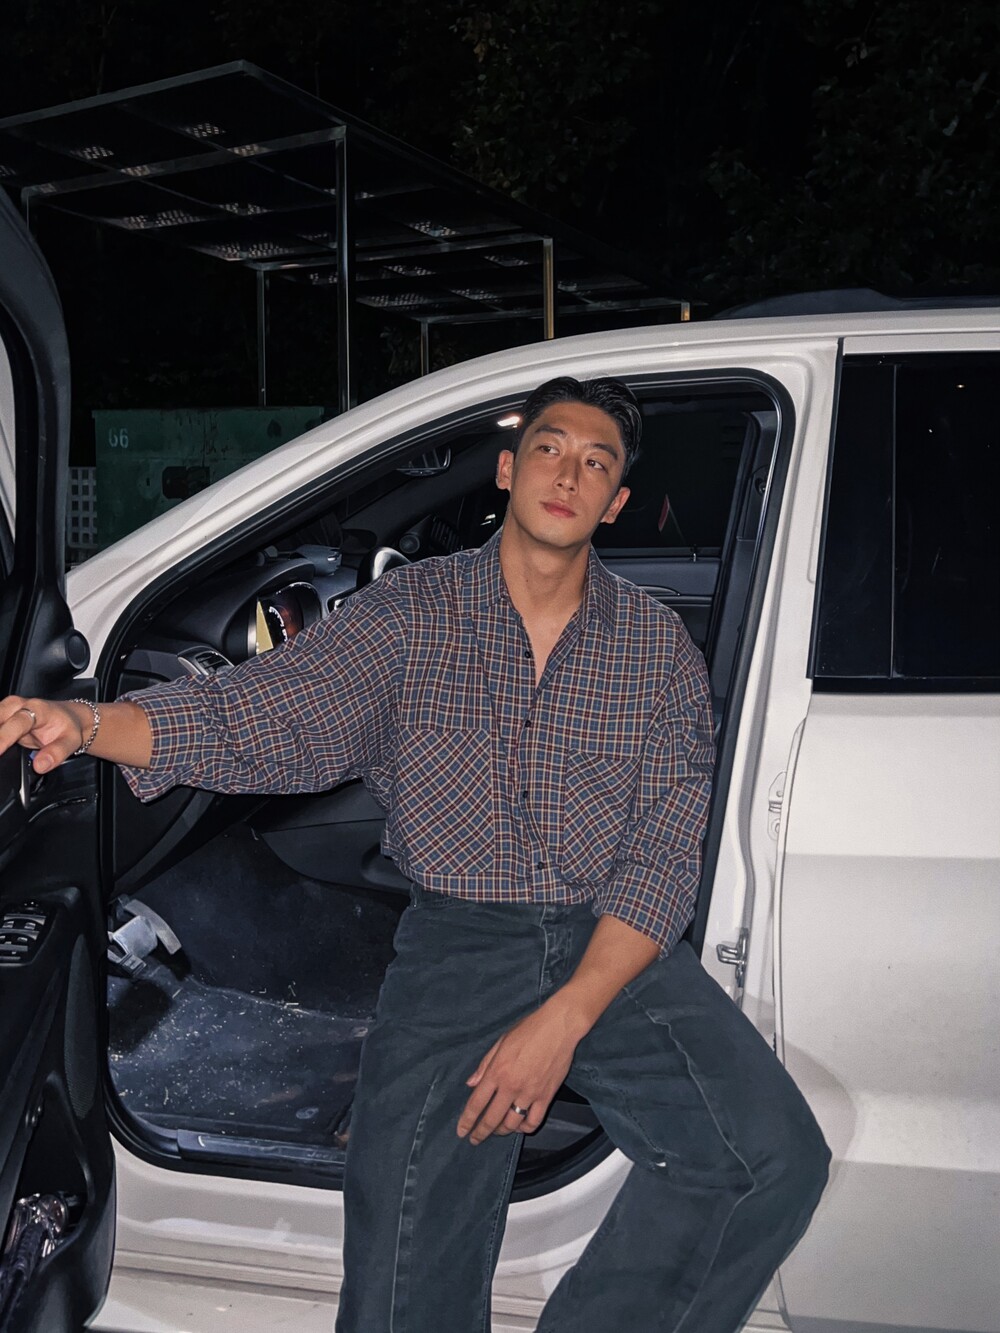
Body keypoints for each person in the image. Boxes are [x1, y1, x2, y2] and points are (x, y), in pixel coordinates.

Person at [0, 376, 829, 1332]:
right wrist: (85, 723)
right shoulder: (411, 613)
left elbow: (660, 859)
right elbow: (262, 716)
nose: (569, 474)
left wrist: (560, 1022)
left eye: (596, 463)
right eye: (551, 449)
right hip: (457, 949)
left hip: (609, 946)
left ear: (617, 502)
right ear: (508, 470)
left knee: (766, 1159)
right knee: (408, 1267)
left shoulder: (654, 648)